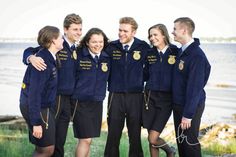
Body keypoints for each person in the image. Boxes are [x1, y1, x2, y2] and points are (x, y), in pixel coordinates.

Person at [22, 13, 83, 157]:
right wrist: (30, 58)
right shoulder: (55, 45)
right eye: (75, 29)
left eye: (80, 29)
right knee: (47, 143)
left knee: (60, 141)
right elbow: (30, 50)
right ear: (65, 30)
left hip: (68, 100)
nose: (79, 33)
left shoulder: (78, 49)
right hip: (53, 99)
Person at [104, 17, 150, 157]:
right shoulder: (111, 47)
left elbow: (151, 67)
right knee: (113, 136)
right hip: (115, 96)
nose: (121, 33)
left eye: (125, 31)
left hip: (136, 97)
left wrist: (139, 80)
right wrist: (33, 55)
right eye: (120, 30)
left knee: (135, 136)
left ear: (133, 32)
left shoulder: (143, 47)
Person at [19, 25, 64, 157]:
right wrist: (36, 123)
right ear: (53, 40)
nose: (62, 40)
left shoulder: (48, 55)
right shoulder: (41, 62)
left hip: (43, 107)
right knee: (46, 150)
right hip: (38, 108)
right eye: (61, 37)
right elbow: (34, 94)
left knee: (43, 149)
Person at [171, 17, 211, 157]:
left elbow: (195, 88)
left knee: (190, 143)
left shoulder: (196, 56)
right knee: (181, 142)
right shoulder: (183, 51)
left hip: (190, 108)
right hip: (179, 105)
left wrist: (188, 115)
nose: (172, 32)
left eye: (175, 29)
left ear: (184, 30)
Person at [70, 28, 110, 157]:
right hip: (80, 102)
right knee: (85, 139)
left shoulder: (106, 57)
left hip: (97, 102)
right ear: (87, 42)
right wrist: (30, 56)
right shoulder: (78, 54)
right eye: (94, 42)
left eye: (100, 42)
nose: (98, 45)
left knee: (89, 139)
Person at [143, 24, 178, 157]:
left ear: (164, 35)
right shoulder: (149, 53)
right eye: (150, 36)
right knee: (151, 137)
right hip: (149, 98)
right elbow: (145, 75)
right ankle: (169, 151)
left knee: (153, 137)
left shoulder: (175, 51)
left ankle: (170, 151)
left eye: (155, 35)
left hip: (166, 100)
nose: (152, 38)